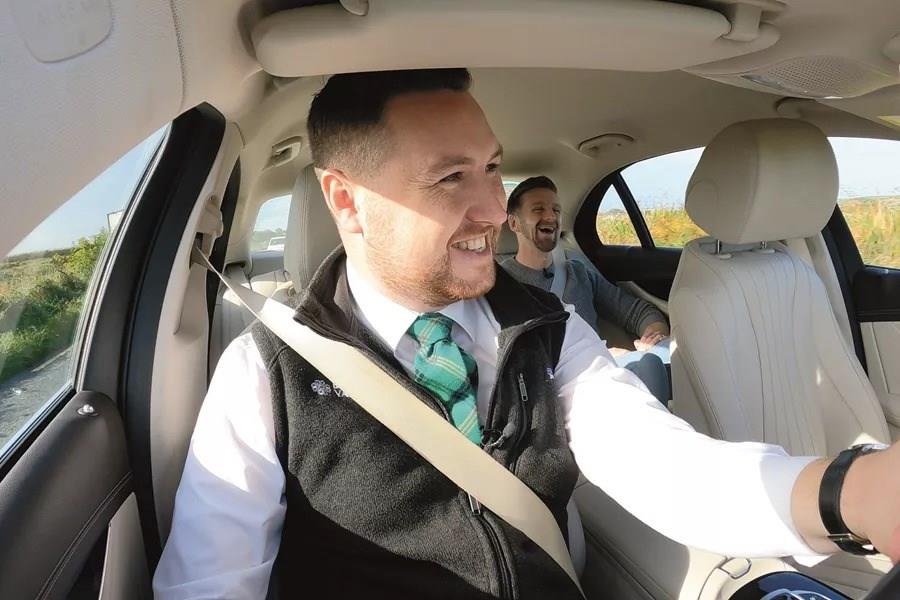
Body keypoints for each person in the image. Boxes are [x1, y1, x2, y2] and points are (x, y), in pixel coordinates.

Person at [154, 69, 900, 600]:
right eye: (451, 178)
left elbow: (661, 463)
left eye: (492, 169)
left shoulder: (547, 328)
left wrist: (852, 492)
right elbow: (211, 585)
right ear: (347, 201)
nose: (492, 208)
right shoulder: (265, 373)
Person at [501, 175, 670, 402]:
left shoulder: (578, 273)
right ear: (514, 223)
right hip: (548, 395)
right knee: (650, 371)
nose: (550, 216)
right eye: (538, 209)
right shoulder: (501, 284)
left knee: (657, 361)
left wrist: (654, 336)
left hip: (603, 376)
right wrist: (598, 355)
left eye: (556, 210)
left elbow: (637, 311)